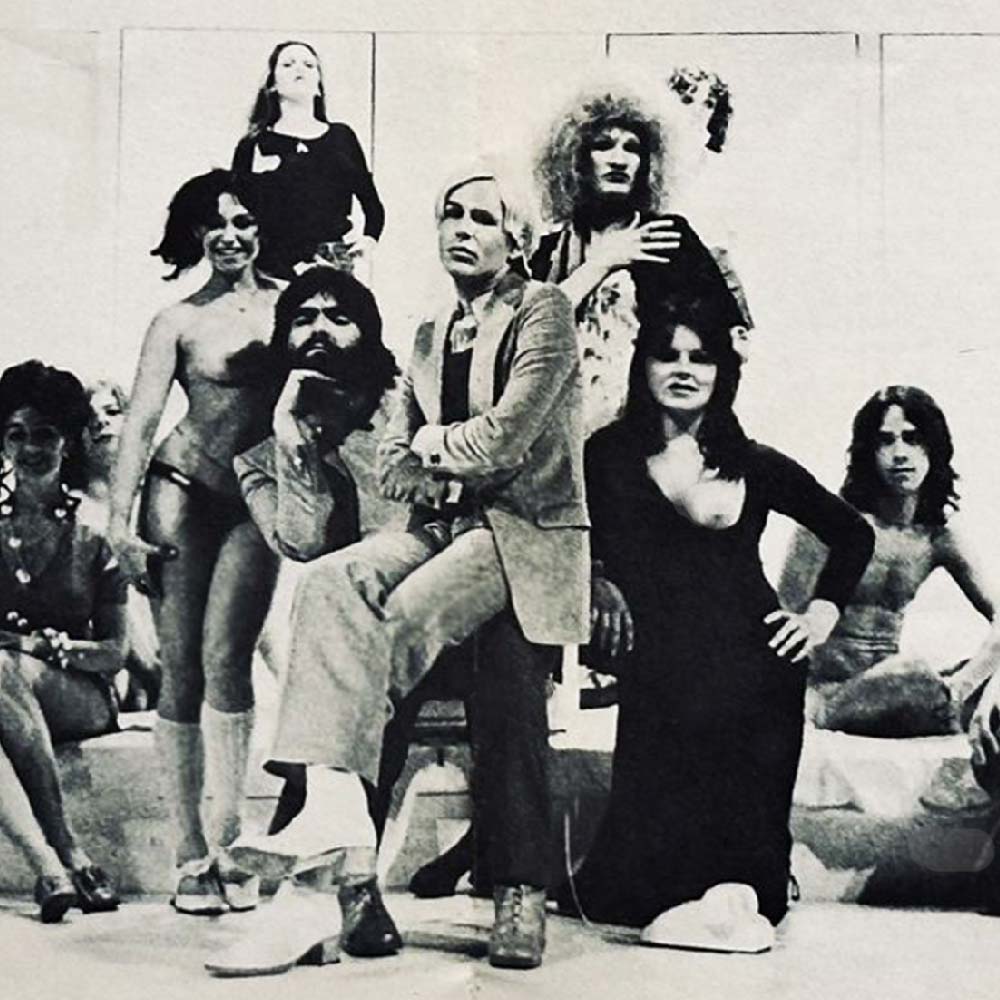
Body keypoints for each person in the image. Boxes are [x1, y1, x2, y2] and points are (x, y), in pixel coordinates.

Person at [213, 165, 587, 976]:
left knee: (494, 666)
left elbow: (505, 441)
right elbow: (371, 491)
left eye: (481, 217)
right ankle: (344, 862)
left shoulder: (541, 312)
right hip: (433, 550)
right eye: (450, 214)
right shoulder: (424, 339)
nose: (461, 229)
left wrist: (428, 445)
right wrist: (305, 446)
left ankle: (514, 890)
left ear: (516, 238)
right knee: (331, 593)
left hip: (513, 549)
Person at [555, 296, 873, 952]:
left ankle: (750, 887)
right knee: (631, 896)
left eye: (701, 358)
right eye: (667, 355)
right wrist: (596, 579)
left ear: (722, 371)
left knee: (749, 892)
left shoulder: (751, 460)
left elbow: (853, 533)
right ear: (642, 365)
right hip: (662, 669)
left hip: (756, 669)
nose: (683, 369)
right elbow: (565, 533)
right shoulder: (605, 454)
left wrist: (819, 615)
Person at [107, 169, 282, 915]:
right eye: (215, 224)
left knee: (227, 657)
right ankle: (189, 852)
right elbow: (142, 421)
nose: (230, 235)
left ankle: (229, 840)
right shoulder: (176, 320)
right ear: (196, 233)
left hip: (256, 499)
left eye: (243, 221)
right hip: (178, 489)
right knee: (180, 666)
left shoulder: (291, 305)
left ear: (262, 227)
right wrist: (118, 525)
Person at [778, 386, 1000, 751]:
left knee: (958, 683)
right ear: (868, 452)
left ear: (935, 448)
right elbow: (785, 622)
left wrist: (967, 683)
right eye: (885, 441)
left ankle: (952, 705)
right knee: (914, 673)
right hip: (827, 695)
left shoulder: (937, 537)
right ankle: (948, 707)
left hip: (895, 695)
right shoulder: (831, 522)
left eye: (913, 439)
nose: (900, 454)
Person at [530, 85, 744, 435]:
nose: (619, 159)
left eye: (632, 148)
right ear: (576, 159)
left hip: (640, 439)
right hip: (554, 440)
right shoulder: (547, 252)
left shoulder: (669, 239)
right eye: (603, 145)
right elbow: (524, 339)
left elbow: (722, 346)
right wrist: (602, 262)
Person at [0, 361, 124, 922]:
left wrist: (44, 649)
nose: (30, 448)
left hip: (84, 696)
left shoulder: (95, 530)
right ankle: (50, 867)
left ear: (68, 441)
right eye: (16, 434)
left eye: (45, 434)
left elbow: (116, 652)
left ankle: (68, 849)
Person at [232, 40, 385, 279]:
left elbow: (371, 203)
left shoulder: (342, 137)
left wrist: (369, 239)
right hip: (271, 265)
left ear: (318, 86)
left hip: (330, 262)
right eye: (288, 64)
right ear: (272, 84)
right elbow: (239, 213)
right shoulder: (253, 144)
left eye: (309, 65)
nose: (299, 69)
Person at [82, 380, 161, 711]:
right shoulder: (78, 510)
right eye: (88, 419)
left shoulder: (159, 496)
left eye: (112, 412)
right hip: (121, 657)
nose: (101, 422)